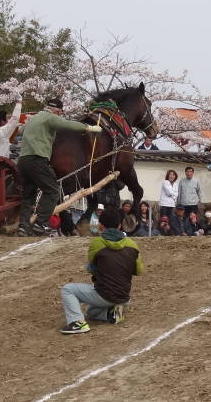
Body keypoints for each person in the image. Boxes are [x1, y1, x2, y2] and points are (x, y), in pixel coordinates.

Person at [16, 98, 101, 236]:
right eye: (61, 112)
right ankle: (40, 224)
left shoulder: (34, 118)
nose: (61, 115)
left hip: (23, 161)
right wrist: (88, 128)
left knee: (28, 195)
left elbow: (20, 130)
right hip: (37, 159)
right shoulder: (50, 117)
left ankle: (23, 227)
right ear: (57, 110)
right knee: (53, 191)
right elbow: (68, 124)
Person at [59, 206, 144, 334]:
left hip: (104, 294)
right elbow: (139, 271)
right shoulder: (132, 244)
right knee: (91, 312)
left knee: (68, 289)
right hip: (123, 297)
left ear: (101, 226)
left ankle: (77, 322)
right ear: (120, 225)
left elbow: (92, 268)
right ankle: (113, 314)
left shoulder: (97, 243)